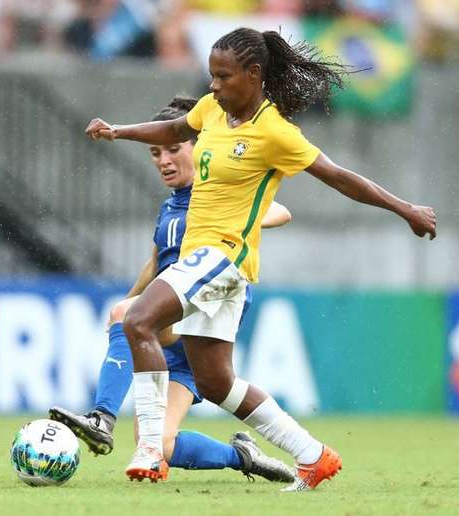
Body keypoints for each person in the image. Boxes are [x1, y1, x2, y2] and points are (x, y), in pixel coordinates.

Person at [84, 27, 437, 491]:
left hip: (223, 259)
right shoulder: (213, 110)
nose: (213, 86)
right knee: (216, 384)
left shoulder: (274, 132)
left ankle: (150, 447)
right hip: (208, 268)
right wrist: (118, 131)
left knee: (137, 320)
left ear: (253, 75)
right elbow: (173, 129)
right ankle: (313, 456)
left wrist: (404, 209)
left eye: (223, 77)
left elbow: (339, 177)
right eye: (211, 76)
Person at [51, 96, 295, 484]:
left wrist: (244, 224)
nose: (163, 160)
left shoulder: (217, 197)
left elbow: (280, 211)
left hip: (195, 322)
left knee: (125, 314)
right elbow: (154, 266)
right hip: (167, 340)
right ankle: (242, 456)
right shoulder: (169, 208)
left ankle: (101, 417)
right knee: (160, 445)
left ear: (200, 147)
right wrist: (129, 306)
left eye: (173, 149)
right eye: (154, 153)